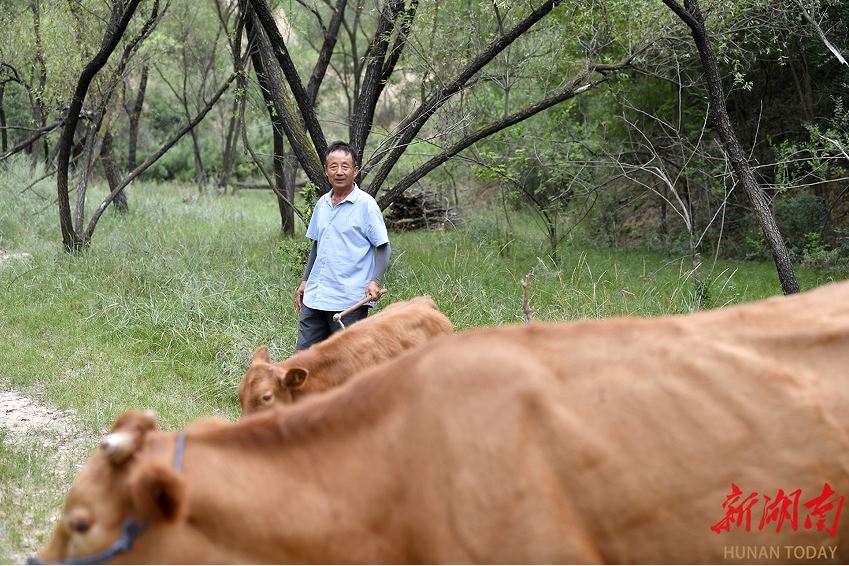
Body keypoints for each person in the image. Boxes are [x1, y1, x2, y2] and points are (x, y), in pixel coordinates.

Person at [294, 140, 391, 351]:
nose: (339, 172)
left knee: (346, 361)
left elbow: (384, 247)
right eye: (333, 166)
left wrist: (374, 281)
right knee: (303, 358)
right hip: (315, 296)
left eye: (345, 166)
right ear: (326, 170)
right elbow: (317, 245)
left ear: (355, 171)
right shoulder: (322, 203)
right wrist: (305, 280)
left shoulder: (366, 205)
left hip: (348, 301)